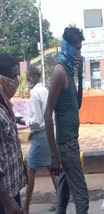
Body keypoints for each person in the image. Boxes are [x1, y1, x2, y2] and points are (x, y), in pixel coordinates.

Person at [44, 26, 89, 214]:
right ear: (67, 47)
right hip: (66, 144)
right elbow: (47, 113)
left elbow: (77, 104)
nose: (78, 53)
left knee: (63, 194)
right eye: (76, 48)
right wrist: (54, 156)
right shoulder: (59, 72)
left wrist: (79, 76)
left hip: (72, 141)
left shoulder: (69, 72)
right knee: (82, 198)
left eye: (80, 49)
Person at [22, 66, 58, 214]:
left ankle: (26, 208)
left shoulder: (35, 94)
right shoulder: (44, 90)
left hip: (40, 135)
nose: (28, 80)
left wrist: (25, 121)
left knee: (31, 170)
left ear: (33, 77)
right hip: (48, 133)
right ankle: (61, 201)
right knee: (51, 169)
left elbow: (36, 120)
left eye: (28, 77)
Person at [0, 53, 27, 214]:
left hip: (11, 192)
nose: (16, 81)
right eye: (13, 76)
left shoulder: (5, 106)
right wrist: (8, 202)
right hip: (4, 199)